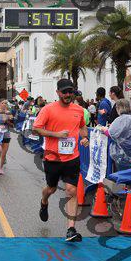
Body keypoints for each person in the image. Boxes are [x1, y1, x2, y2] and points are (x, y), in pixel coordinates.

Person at [32, 79, 89, 242]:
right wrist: (56, 135)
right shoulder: (48, 109)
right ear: (58, 92)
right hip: (53, 157)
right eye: (64, 92)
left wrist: (85, 137)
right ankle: (44, 201)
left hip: (72, 157)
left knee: (71, 190)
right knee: (51, 189)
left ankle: (71, 229)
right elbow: (35, 129)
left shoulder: (79, 110)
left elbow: (82, 126)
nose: (68, 94)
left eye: (70, 91)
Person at [98, 99, 131, 171]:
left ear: (118, 108)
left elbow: (110, 133)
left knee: (123, 172)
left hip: (124, 153)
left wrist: (103, 129)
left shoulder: (121, 119)